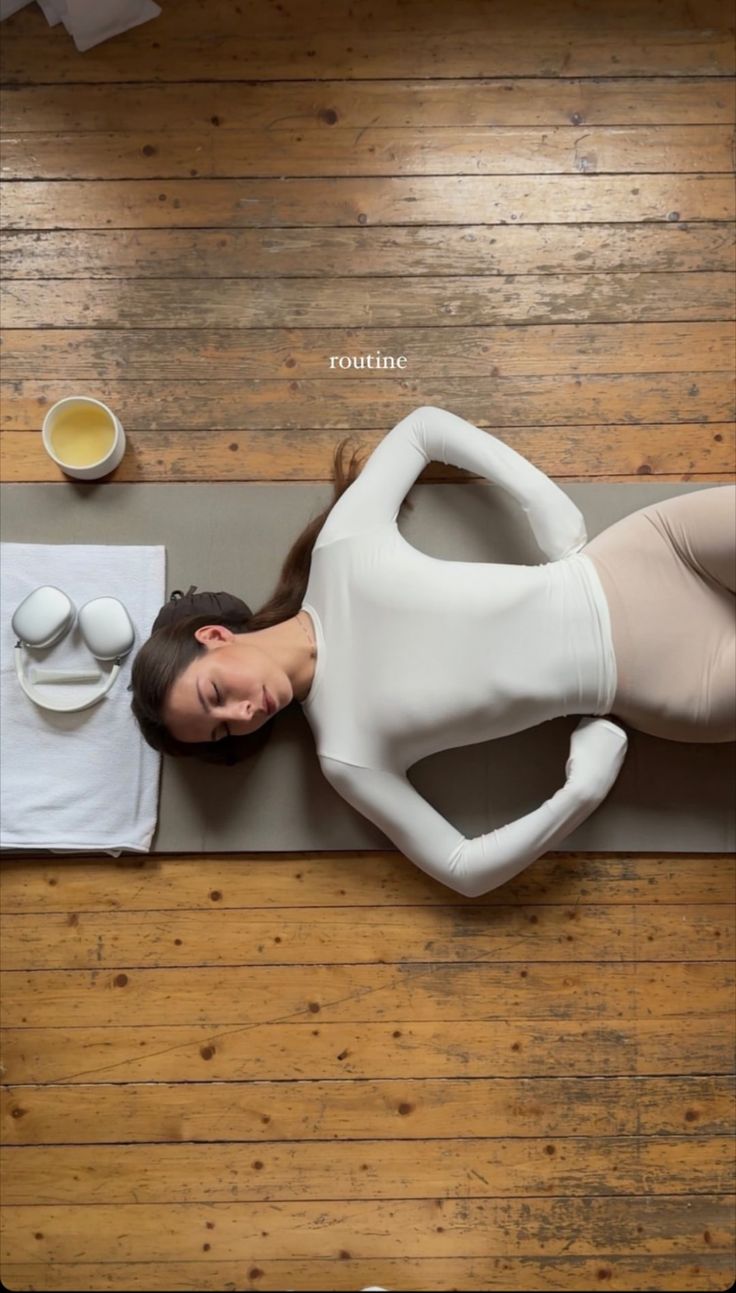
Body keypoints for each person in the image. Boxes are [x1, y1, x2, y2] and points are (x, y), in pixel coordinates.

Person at [130, 406, 736, 898]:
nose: (240, 716)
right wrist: (581, 792)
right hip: (677, 681)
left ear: (213, 637)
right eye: (221, 734)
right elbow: (462, 868)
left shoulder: (341, 552)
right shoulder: (347, 753)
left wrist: (538, 497)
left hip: (651, 551)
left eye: (216, 694)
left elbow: (422, 428)